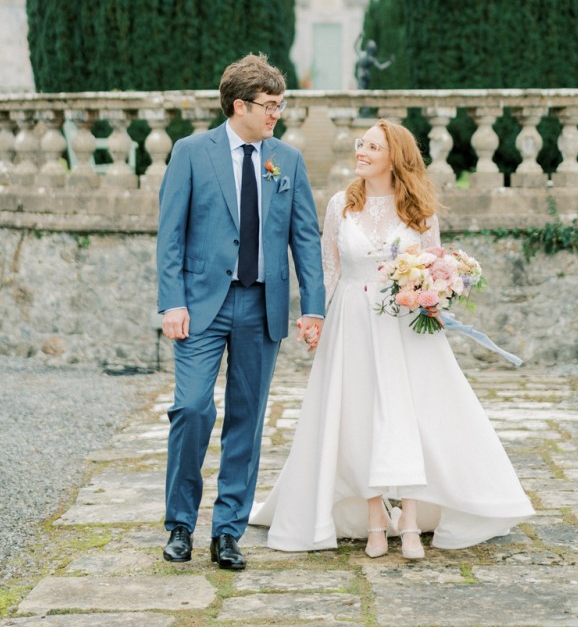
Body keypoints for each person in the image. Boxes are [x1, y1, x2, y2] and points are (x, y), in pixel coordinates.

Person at [250, 119, 535, 558]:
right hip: (352, 320)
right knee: (358, 414)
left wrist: (435, 294)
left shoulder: (419, 210)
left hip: (403, 322)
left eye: (371, 146)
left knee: (411, 414)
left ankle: (410, 517)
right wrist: (315, 319)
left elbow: (434, 264)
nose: (360, 151)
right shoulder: (339, 204)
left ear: (394, 157)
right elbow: (329, 270)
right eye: (360, 143)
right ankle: (374, 518)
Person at [157, 53, 325, 571]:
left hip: (263, 306)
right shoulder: (190, 152)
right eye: (270, 106)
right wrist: (172, 302)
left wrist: (313, 308)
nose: (277, 114)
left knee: (247, 422)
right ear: (240, 105)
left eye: (280, 105)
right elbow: (171, 234)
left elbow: (305, 239)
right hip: (202, 306)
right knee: (191, 408)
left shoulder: (287, 161)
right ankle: (180, 524)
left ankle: (227, 531)